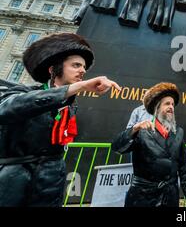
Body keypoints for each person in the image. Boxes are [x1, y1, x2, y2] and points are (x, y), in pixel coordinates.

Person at [0, 33, 120, 207]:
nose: (83, 71)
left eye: (84, 66)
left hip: (51, 185)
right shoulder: (22, 92)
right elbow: (8, 108)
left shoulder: (70, 103)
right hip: (15, 186)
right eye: (76, 65)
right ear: (53, 69)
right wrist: (77, 87)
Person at [112, 82, 186, 207]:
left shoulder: (178, 133)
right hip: (143, 197)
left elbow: (184, 167)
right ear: (157, 108)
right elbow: (117, 147)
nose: (171, 107)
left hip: (170, 198)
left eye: (173, 104)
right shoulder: (141, 131)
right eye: (167, 104)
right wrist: (134, 129)